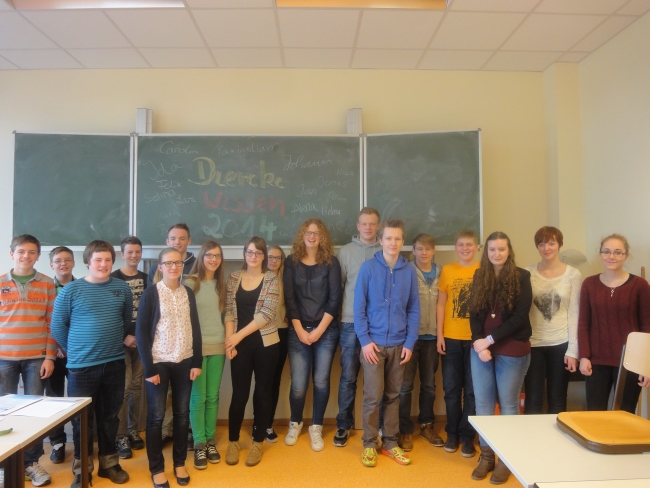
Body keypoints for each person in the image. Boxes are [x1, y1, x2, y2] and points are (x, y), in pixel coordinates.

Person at [51, 240, 133, 488]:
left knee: (109, 417)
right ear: (87, 262)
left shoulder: (122, 288)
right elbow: (57, 326)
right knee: (82, 421)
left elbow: (124, 322)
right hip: (81, 368)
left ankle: (109, 465)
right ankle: (82, 470)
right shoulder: (71, 291)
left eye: (108, 260)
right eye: (98, 259)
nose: (103, 264)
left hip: (114, 364)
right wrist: (75, 351)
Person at [354, 220, 419, 467]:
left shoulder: (409, 270)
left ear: (403, 241)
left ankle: (390, 443)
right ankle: (370, 444)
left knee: (393, 396)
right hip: (373, 346)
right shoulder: (368, 268)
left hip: (400, 345)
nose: (393, 243)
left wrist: (410, 343)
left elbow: (413, 309)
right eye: (389, 238)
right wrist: (365, 341)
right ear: (381, 240)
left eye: (397, 239)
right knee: (372, 397)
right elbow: (359, 308)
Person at [469, 231, 532, 485]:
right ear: (486, 252)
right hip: (482, 350)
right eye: (492, 249)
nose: (497, 254)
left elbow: (519, 317)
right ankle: (486, 456)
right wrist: (479, 343)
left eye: (502, 249)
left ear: (509, 251)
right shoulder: (479, 275)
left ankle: (506, 459)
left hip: (512, 348)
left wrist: (489, 340)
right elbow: (474, 313)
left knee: (508, 405)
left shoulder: (522, 276)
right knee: (483, 405)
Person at [136, 247, 202, 488]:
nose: (174, 267)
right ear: (161, 266)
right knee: (156, 417)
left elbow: (195, 328)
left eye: (178, 263)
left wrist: (197, 362)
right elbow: (142, 333)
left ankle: (179, 463)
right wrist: (149, 368)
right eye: (169, 263)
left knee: (182, 415)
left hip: (185, 360)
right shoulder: (151, 293)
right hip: (159, 362)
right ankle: (156, 468)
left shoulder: (188, 293)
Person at [0, 235, 57, 487]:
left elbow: (51, 322)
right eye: (21, 251)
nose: (26, 256)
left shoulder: (46, 283)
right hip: (4, 358)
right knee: (4, 414)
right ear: (12, 254)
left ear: (38, 255)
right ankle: (5, 463)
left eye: (32, 252)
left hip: (36, 358)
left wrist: (50, 356)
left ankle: (31, 463)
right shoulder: (0, 282)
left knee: (33, 412)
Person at [283, 219, 342, 451]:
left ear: (322, 237)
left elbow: (335, 299)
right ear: (302, 235)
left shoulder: (331, 263)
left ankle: (316, 426)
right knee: (298, 384)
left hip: (325, 331)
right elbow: (289, 298)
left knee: (321, 382)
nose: (312, 236)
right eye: (308, 232)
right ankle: (295, 423)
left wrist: (318, 331)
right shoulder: (291, 261)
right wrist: (300, 330)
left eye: (316, 233)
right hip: (298, 330)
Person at [578, 234, 650, 413]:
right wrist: (584, 356)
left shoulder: (640, 285)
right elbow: (583, 323)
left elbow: (647, 327)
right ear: (600, 254)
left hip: (630, 362)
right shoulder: (589, 284)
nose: (612, 256)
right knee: (595, 414)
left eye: (618, 252)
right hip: (596, 361)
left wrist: (645, 365)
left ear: (626, 255)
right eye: (607, 252)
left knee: (625, 414)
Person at [224, 237, 280, 467]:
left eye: (258, 253)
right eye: (249, 252)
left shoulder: (271, 279)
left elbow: (266, 314)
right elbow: (228, 310)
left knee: (263, 393)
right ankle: (233, 441)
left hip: (266, 345)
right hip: (240, 346)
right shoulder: (234, 277)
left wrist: (237, 336)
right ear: (244, 254)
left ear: (263, 256)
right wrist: (230, 342)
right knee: (239, 394)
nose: (253, 256)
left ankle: (258, 442)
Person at [334, 207, 382, 447]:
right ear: (357, 225)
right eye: (364, 223)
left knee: (377, 380)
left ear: (378, 226)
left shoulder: (386, 251)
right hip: (350, 323)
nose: (368, 228)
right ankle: (343, 425)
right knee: (348, 377)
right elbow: (340, 287)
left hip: (378, 325)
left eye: (372, 224)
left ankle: (378, 426)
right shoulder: (345, 252)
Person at [146, 223, 196, 448]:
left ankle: (184, 439)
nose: (177, 242)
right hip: (161, 352)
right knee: (160, 404)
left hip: (184, 349)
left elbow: (194, 321)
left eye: (182, 238)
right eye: (173, 238)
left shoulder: (194, 271)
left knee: (183, 405)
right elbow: (149, 318)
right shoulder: (154, 282)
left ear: (189, 241)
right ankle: (165, 433)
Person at [524, 226, 582, 415]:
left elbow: (575, 312)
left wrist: (573, 349)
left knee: (558, 399)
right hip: (533, 343)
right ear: (537, 247)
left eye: (551, 243)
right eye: (542, 244)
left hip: (561, 343)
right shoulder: (526, 273)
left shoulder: (573, 274)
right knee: (533, 399)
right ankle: (533, 434)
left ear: (559, 245)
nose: (546, 248)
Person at [436, 229, 479, 458]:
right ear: (455, 248)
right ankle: (452, 433)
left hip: (475, 340)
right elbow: (441, 304)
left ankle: (467, 436)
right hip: (451, 338)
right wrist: (440, 335)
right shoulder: (448, 270)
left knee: (472, 392)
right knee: (451, 390)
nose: (465, 248)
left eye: (469, 244)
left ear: (477, 247)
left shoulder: (484, 270)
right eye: (461, 244)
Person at [184, 240, 226, 470]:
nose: (213, 259)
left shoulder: (222, 285)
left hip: (218, 346)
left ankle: (210, 441)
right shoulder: (190, 283)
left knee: (213, 396)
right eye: (209, 255)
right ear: (201, 257)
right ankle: (199, 442)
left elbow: (227, 315)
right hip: (196, 350)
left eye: (217, 256)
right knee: (198, 397)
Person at [398, 233, 443, 452]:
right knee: (405, 386)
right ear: (413, 251)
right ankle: (405, 430)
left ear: (434, 251)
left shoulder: (441, 272)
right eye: (419, 249)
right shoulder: (406, 271)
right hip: (410, 338)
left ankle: (427, 425)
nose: (424, 253)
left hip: (433, 337)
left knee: (429, 385)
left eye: (428, 249)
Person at [112, 236, 148, 460]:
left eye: (137, 251)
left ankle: (133, 430)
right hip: (120, 342)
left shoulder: (147, 278)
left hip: (142, 341)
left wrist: (143, 336)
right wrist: (124, 336)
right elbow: (110, 312)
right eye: (130, 252)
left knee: (136, 386)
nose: (134, 255)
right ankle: (121, 435)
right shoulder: (113, 278)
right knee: (124, 388)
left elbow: (152, 309)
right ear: (122, 254)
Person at [46, 245, 76, 466]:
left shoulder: (83, 286)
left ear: (74, 262)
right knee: (53, 398)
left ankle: (82, 440)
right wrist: (53, 349)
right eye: (58, 261)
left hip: (77, 353)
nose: (63, 264)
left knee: (79, 399)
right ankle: (57, 443)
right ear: (51, 265)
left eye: (67, 260)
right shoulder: (46, 288)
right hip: (52, 355)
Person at [265, 244, 289, 443]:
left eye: (278, 258)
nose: (273, 261)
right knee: (262, 381)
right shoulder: (256, 278)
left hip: (282, 331)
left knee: (274, 380)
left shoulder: (286, 280)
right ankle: (258, 422)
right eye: (270, 257)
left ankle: (268, 423)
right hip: (261, 334)